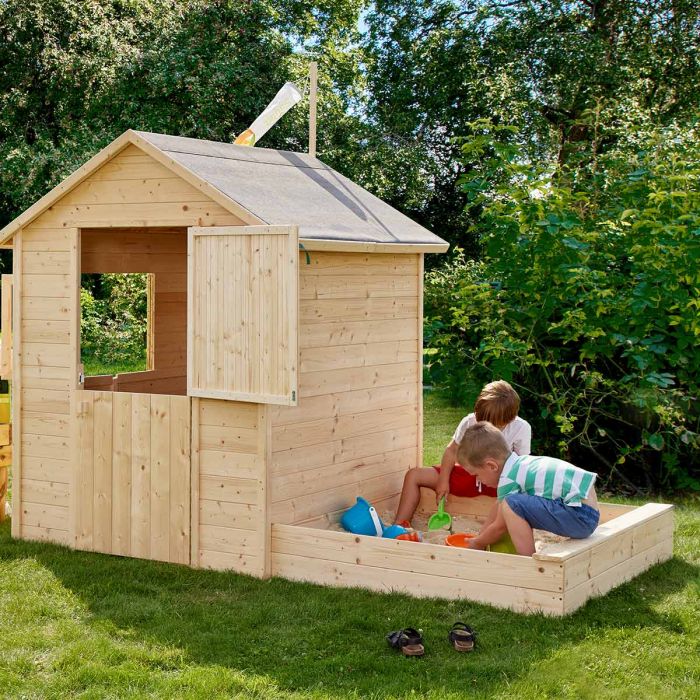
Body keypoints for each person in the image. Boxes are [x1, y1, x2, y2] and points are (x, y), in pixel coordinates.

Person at [394, 380, 531, 527]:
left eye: (493, 424)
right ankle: (399, 526)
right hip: (468, 475)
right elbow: (452, 451)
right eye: (481, 419)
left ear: (508, 420)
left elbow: (522, 466)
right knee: (414, 475)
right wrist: (443, 480)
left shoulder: (520, 428)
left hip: (498, 482)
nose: (484, 424)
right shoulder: (469, 421)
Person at [457, 422, 600, 556]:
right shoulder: (519, 465)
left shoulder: (509, 479)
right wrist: (481, 535)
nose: (478, 480)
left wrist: (478, 542)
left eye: (476, 475)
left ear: (491, 466)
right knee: (509, 505)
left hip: (579, 517)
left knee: (511, 505)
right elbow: (497, 507)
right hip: (588, 511)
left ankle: (527, 561)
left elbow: (500, 526)